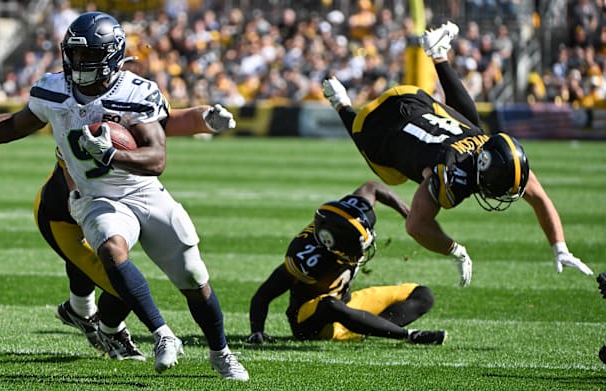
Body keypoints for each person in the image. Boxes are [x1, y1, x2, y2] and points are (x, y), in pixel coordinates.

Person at [0, 11, 248, 381]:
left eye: (88, 55)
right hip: (94, 198)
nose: (78, 63)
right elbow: (15, 124)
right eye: (74, 55)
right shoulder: (54, 89)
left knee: (192, 275)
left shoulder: (134, 92)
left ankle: (221, 353)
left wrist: (114, 154)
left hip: (142, 191)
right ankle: (160, 334)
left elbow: (156, 159)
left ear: (110, 55)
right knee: (110, 250)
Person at [321, 21, 593, 287]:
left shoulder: (491, 147)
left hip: (412, 96)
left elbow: (539, 198)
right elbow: (415, 225)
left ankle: (438, 55)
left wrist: (560, 247)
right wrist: (454, 250)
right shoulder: (451, 177)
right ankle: (341, 103)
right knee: (393, 177)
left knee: (473, 126)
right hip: (372, 123)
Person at [43, 103, 236, 362]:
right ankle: (108, 329)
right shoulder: (71, 122)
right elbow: (73, 183)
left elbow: (171, 119)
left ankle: (80, 310)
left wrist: (206, 118)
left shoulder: (131, 103)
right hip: (63, 216)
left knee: (106, 259)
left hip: (114, 202)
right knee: (121, 283)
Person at [247, 181, 447, 345]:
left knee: (423, 295)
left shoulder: (346, 218)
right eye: (360, 245)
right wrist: (257, 331)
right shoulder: (308, 260)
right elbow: (263, 295)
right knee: (330, 304)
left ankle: (368, 326)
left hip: (347, 304)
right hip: (312, 322)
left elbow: (371, 187)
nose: (364, 249)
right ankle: (407, 335)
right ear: (337, 249)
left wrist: (410, 215)